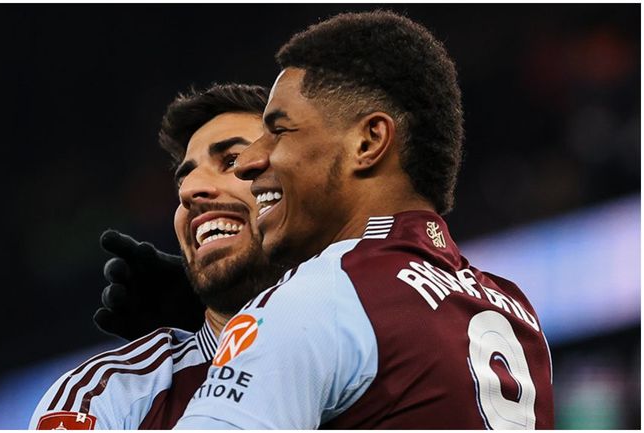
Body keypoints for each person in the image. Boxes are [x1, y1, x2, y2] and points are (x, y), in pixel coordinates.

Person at [174, 10, 554, 429]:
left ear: (368, 142)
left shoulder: (320, 296)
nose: (249, 161)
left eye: (279, 131)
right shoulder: (516, 310)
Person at [29, 83, 286, 429]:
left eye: (233, 160)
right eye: (185, 178)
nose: (190, 191)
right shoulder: (109, 397)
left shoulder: (378, 343)